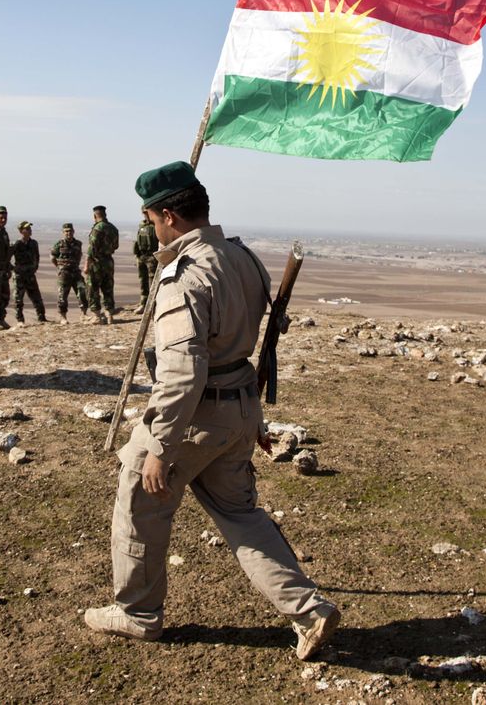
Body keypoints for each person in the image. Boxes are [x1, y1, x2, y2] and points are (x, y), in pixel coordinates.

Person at [83, 161, 340, 660]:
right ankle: (309, 610)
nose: (151, 228)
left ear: (168, 217)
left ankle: (137, 613)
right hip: (237, 408)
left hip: (196, 418)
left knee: (139, 501)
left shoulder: (185, 275)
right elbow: (249, 345)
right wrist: (254, 419)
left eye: (150, 219)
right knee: (240, 514)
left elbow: (181, 373)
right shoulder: (242, 257)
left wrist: (159, 445)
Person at [86, 205, 120, 324]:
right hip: (109, 261)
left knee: (93, 288)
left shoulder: (97, 229)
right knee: (108, 288)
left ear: (95, 215)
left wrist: (86, 265)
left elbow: (91, 249)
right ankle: (109, 314)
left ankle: (96, 316)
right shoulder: (113, 228)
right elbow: (116, 246)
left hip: (96, 262)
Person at [50, 222, 89, 325]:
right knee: (62, 295)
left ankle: (84, 314)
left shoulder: (78, 244)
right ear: (63, 232)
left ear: (73, 231)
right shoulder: (59, 244)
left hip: (75, 272)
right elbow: (53, 257)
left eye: (70, 231)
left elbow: (79, 255)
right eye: (66, 231)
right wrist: (59, 267)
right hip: (64, 273)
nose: (69, 233)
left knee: (82, 291)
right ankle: (63, 317)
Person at [11, 220, 47, 326]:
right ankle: (20, 320)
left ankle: (41, 318)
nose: (30, 230)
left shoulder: (33, 243)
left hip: (30, 275)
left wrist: (34, 267)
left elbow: (37, 257)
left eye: (30, 228)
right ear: (21, 231)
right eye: (27, 229)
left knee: (36, 297)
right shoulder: (16, 244)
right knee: (18, 299)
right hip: (19, 276)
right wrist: (13, 269)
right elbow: (6, 258)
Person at [132, 205, 158, 313]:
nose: (145, 214)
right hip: (142, 256)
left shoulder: (156, 225)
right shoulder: (142, 225)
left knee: (153, 282)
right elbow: (138, 241)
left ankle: (153, 305)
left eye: (147, 212)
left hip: (153, 257)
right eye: (144, 212)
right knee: (143, 281)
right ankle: (143, 303)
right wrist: (136, 255)